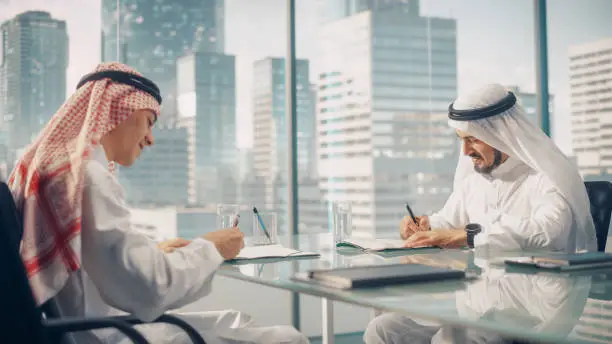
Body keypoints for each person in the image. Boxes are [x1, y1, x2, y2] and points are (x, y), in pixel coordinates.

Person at [8, 62, 308, 344]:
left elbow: (90, 261)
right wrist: (212, 247)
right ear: (118, 110)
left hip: (86, 328)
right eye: (148, 122)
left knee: (236, 320)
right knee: (288, 338)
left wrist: (154, 252)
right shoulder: (88, 179)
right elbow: (149, 289)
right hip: (109, 334)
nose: (150, 139)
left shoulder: (55, 172)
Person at [399, 83, 597, 253]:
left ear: (500, 136)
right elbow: (449, 224)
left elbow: (549, 233)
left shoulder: (544, 178)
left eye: (473, 140)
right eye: (462, 141)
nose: (466, 151)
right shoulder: (474, 182)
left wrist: (470, 236)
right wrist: (423, 227)